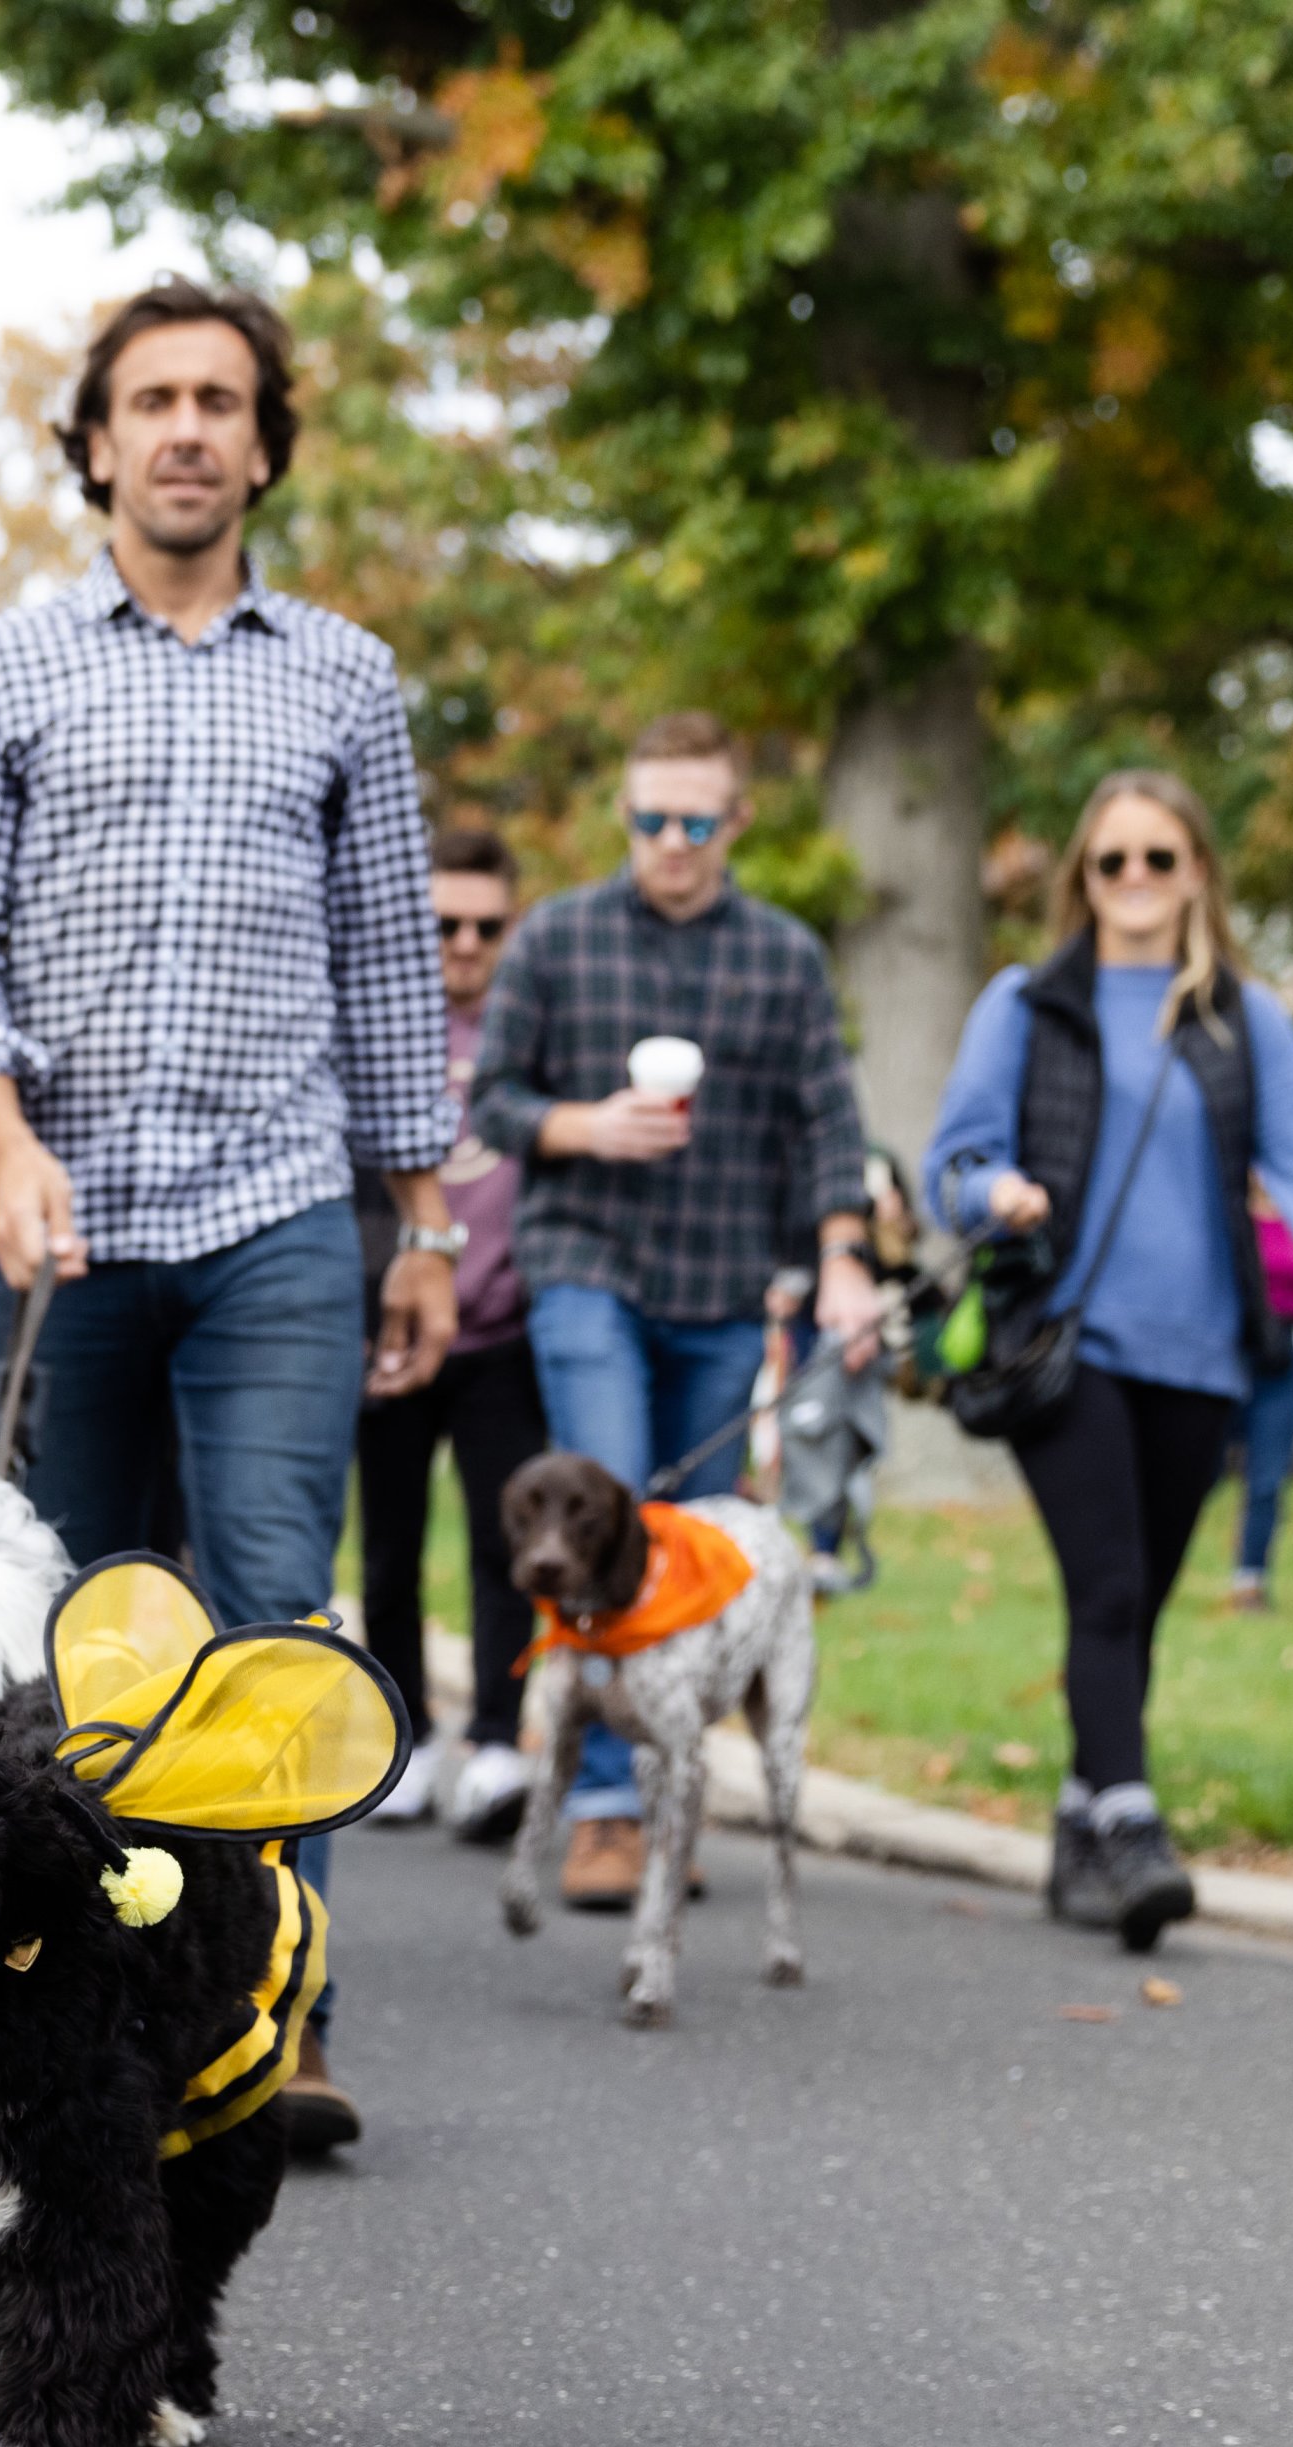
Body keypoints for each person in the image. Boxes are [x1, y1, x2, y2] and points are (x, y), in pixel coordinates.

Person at [0, 279, 456, 2155]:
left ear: (267, 443)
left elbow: (388, 955)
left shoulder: (346, 677)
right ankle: (88, 2001)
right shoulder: (7, 666)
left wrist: (425, 1220)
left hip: (284, 1212)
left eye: (224, 399)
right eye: (156, 400)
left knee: (275, 1607)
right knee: (80, 1641)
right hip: (73, 1224)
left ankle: (272, 2006)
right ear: (100, 443)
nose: (191, 429)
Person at [921, 768, 1293, 1950]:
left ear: (1196, 874)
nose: (1133, 880)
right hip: (1066, 1344)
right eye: (1110, 860)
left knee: (1140, 1604)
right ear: (1083, 878)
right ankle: (1131, 1823)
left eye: (1157, 858)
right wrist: (998, 1190)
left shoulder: (1242, 1016)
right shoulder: (1028, 1003)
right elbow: (954, 1158)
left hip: (1204, 1351)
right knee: (1110, 1588)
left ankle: (1079, 1822)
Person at [466, 710, 880, 1911]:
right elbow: (491, 1099)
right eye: (652, 820)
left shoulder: (786, 956)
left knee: (686, 1540)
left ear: (736, 820)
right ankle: (600, 1805)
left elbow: (826, 1124)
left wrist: (842, 1253)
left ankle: (659, 1792)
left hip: (719, 1283)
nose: (674, 842)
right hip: (585, 1265)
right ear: (626, 816)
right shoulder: (555, 939)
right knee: (610, 1501)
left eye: (697, 821)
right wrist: (583, 1125)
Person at [354, 825, 551, 1842]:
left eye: (486, 924)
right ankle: (407, 1739)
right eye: (443, 924)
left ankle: (496, 1741)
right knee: (388, 1545)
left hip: (503, 1333)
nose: (464, 944)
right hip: (390, 1323)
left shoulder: (533, 1033)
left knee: (503, 1543)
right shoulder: (378, 1033)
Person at [1226, 1192, 1293, 1611]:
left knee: (1268, 1480)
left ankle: (1250, 1580)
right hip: (1228, 1355)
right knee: (1200, 1471)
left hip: (1283, 1362)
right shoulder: (1227, 1217)